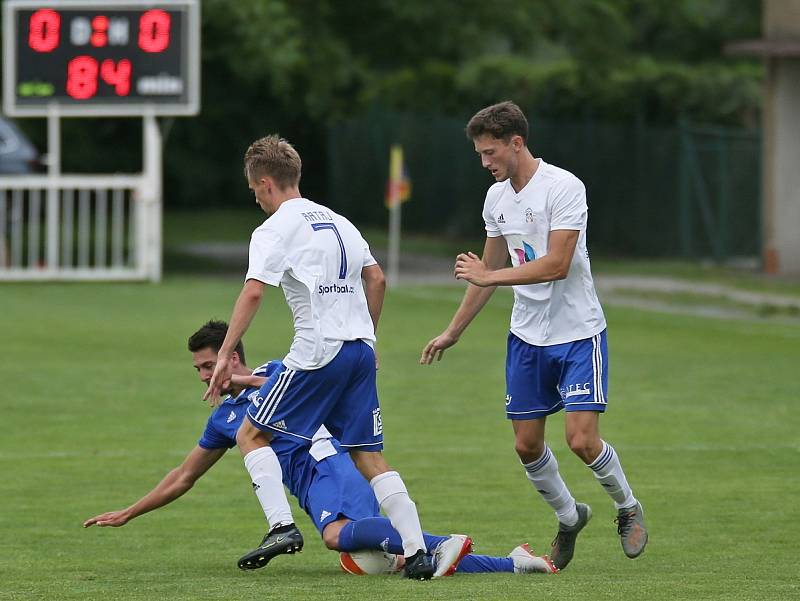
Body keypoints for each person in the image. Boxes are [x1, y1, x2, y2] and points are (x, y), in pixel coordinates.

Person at [83, 320, 558, 578]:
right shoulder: (224, 420)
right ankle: (514, 562)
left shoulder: (275, 370)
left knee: (338, 540)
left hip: (330, 466)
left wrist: (243, 379)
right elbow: (183, 476)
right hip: (316, 488)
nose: (207, 376)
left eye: (211, 365)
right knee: (373, 561)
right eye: (200, 371)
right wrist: (130, 511)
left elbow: (280, 381)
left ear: (233, 356)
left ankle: (438, 541)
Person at [420, 101, 648, 570]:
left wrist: (488, 277)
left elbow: (556, 265)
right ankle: (569, 517)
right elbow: (490, 268)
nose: (485, 162)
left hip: (578, 332)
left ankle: (627, 507)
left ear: (516, 143)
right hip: (527, 336)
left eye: (490, 152)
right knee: (525, 445)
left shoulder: (564, 187)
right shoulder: (497, 199)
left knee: (582, 440)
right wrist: (452, 331)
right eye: (480, 154)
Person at [202, 135, 433, 579]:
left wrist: (226, 352)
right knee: (368, 454)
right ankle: (417, 550)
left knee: (251, 435)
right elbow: (377, 279)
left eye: (254, 193)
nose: (257, 201)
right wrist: (369, 335)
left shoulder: (274, 229)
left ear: (265, 183)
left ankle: (281, 526)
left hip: (317, 354)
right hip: (360, 351)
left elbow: (253, 291)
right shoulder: (339, 221)